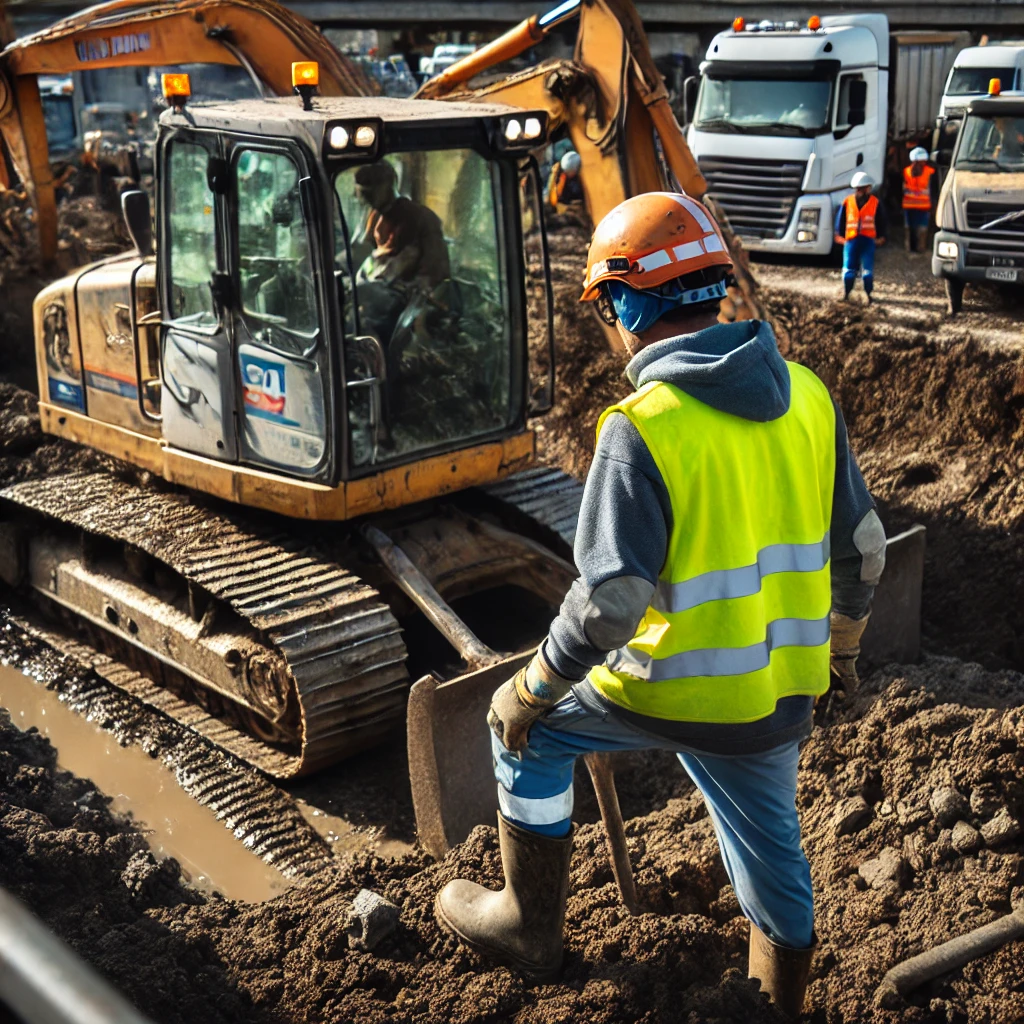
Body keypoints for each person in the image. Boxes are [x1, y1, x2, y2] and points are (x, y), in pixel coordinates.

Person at [435, 192, 886, 1019]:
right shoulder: (810, 397)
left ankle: (527, 926)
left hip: (662, 689)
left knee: (524, 735)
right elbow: (865, 548)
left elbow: (610, 602)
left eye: (609, 306)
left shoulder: (643, 426)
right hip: (777, 697)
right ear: (715, 286)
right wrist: (842, 652)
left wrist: (530, 686)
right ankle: (777, 1000)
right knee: (771, 849)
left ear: (628, 303)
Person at [351, 161, 450, 289]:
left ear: (388, 185)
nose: (365, 199)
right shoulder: (375, 217)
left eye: (369, 192)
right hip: (379, 289)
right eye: (362, 193)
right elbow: (368, 255)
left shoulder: (419, 217)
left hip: (412, 294)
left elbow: (434, 271)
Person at [834, 171, 887, 303]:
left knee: (865, 270)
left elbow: (881, 220)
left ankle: (865, 294)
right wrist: (839, 234)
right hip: (852, 239)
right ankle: (848, 293)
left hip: (866, 240)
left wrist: (882, 236)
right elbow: (841, 220)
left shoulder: (875, 203)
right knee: (850, 270)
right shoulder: (848, 202)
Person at [901, 146, 935, 254]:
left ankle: (914, 249)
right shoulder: (929, 172)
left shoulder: (906, 171)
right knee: (917, 228)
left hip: (914, 206)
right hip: (919, 206)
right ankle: (916, 249)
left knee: (914, 228)